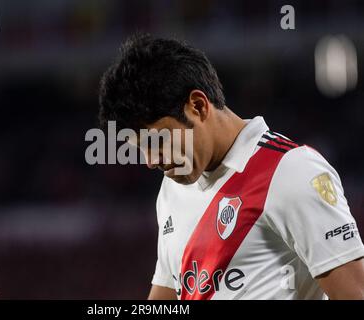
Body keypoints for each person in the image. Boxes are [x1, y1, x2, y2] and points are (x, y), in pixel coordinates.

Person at [98, 33, 364, 299]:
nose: (151, 161)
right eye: (141, 149)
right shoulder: (172, 188)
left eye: (157, 142)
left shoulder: (291, 171)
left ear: (198, 106)